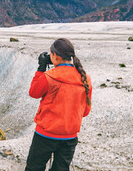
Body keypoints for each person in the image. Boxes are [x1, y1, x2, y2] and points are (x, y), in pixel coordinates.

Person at [25, 38, 92, 171]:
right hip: (70, 136)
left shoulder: (49, 76)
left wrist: (41, 68)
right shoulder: (85, 78)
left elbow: (33, 92)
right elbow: (85, 111)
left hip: (45, 135)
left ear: (55, 56)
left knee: (34, 168)